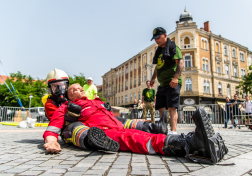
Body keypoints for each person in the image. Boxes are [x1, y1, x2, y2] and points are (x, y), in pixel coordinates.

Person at [43, 84, 228, 165]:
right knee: (136, 138)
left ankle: (190, 139)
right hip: (103, 132)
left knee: (138, 131)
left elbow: (118, 118)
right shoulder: (68, 106)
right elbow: (54, 125)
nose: (79, 89)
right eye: (74, 89)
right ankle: (188, 145)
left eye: (80, 87)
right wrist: (51, 141)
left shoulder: (97, 102)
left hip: (117, 126)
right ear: (69, 96)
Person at [150, 27, 184, 134]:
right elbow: (158, 67)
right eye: (155, 38)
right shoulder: (159, 51)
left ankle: (173, 132)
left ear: (165, 35)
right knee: (160, 107)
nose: (156, 40)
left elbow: (181, 63)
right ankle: (163, 130)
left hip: (172, 82)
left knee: (172, 107)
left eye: (158, 37)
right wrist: (153, 79)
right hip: (163, 84)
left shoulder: (173, 47)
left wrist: (175, 78)